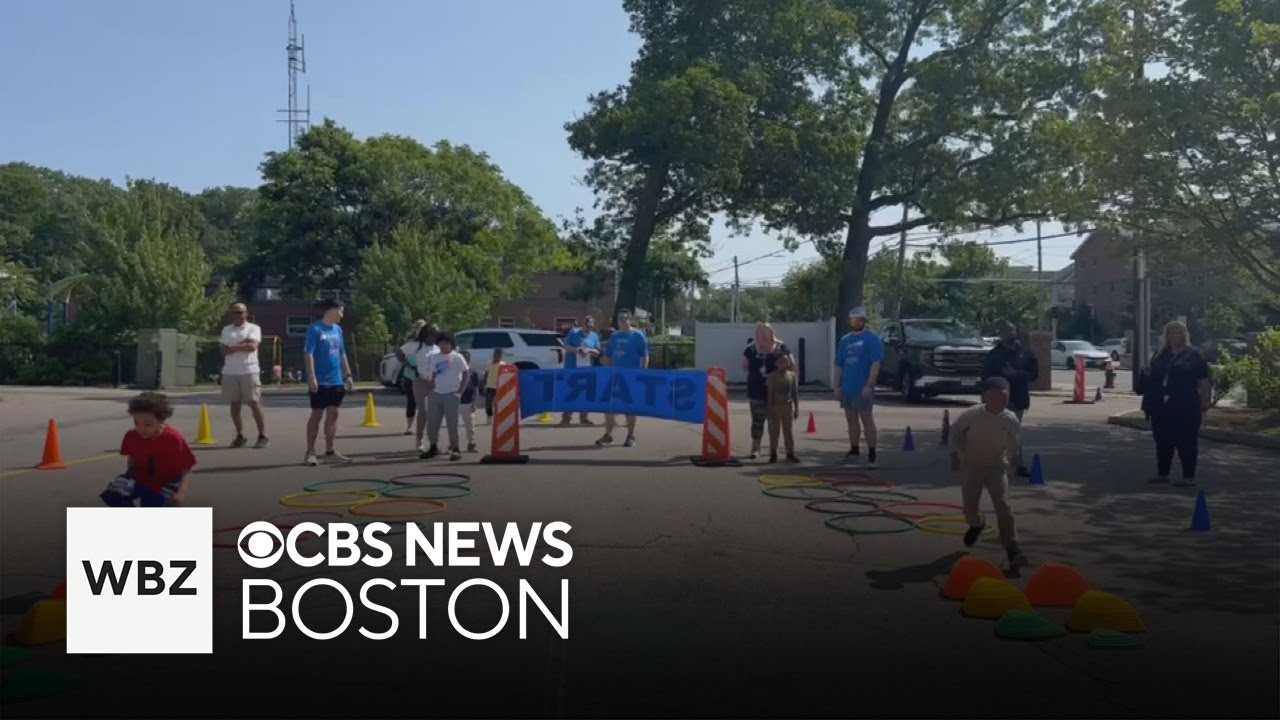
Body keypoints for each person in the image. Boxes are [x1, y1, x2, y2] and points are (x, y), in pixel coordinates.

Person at [949, 377, 1029, 569]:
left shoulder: (1010, 419)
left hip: (996, 466)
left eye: (1005, 398)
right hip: (972, 464)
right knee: (969, 508)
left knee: (1003, 506)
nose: (1001, 403)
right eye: (997, 398)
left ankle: (1013, 549)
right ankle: (976, 524)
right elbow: (955, 432)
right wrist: (957, 454)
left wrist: (1015, 463)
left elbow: (1013, 444)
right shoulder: (972, 414)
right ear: (985, 398)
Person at [1138, 321, 1211, 486]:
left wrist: (1204, 400)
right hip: (1161, 402)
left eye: (1178, 332)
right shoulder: (1160, 354)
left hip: (1185, 402)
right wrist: (1148, 373)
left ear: (1185, 335)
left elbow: (1203, 379)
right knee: (1162, 439)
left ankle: (1188, 476)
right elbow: (1152, 374)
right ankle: (1163, 473)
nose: (1175, 335)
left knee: (1186, 440)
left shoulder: (1193, 355)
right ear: (1167, 335)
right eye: (1171, 332)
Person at [100, 392, 195, 508]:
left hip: (166, 482)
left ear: (161, 421)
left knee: (152, 503)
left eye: (148, 425)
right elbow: (132, 459)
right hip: (141, 478)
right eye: (137, 423)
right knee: (114, 494)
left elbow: (186, 466)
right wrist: (127, 479)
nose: (141, 429)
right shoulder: (132, 436)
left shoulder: (173, 439)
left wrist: (181, 492)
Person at [981, 321, 1039, 477]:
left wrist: (1016, 373)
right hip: (997, 399)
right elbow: (985, 377)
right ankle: (993, 464)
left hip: (1018, 398)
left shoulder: (1025, 353)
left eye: (1013, 330)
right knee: (996, 432)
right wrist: (986, 397)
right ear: (1001, 334)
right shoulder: (994, 355)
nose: (1011, 334)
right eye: (1007, 331)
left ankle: (1017, 466)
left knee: (1013, 432)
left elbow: (1034, 374)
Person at [303, 298, 354, 466]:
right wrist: (312, 377)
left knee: (333, 414)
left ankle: (330, 451)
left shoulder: (338, 330)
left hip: (336, 380)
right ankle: (310, 451)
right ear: (332, 310)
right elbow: (308, 353)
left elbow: (341, 353)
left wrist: (347, 374)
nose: (342, 314)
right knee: (317, 414)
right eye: (340, 310)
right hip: (320, 380)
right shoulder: (315, 329)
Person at [833, 307, 883, 468]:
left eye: (859, 320)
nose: (856, 323)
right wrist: (837, 386)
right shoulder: (845, 340)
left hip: (862, 387)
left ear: (864, 321)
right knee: (851, 419)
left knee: (866, 418)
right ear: (850, 321)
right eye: (853, 320)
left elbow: (876, 363)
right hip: (847, 386)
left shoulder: (871, 339)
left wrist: (869, 384)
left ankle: (872, 454)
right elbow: (839, 364)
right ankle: (854, 450)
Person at [596, 311, 650, 448]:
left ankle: (630, 435)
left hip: (631, 376)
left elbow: (644, 355)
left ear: (630, 320)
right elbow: (608, 356)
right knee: (608, 406)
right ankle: (608, 434)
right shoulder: (615, 336)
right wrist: (602, 360)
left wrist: (642, 374)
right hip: (615, 376)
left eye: (625, 319)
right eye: (620, 319)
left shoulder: (637, 335)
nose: (623, 321)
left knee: (629, 407)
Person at [219, 303, 269, 449]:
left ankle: (262, 435)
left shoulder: (253, 328)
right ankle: (240, 435)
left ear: (246, 313)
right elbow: (224, 351)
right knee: (234, 404)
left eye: (241, 312)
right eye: (235, 312)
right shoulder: (226, 330)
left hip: (249, 370)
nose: (238, 315)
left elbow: (252, 347)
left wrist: (233, 347)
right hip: (230, 371)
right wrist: (243, 344)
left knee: (253, 402)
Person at [742, 323, 792, 459]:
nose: (762, 335)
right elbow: (744, 366)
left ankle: (773, 449)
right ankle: (755, 448)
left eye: (765, 332)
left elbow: (791, 366)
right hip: (757, 389)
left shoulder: (781, 347)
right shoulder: (750, 349)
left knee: (774, 420)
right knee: (757, 420)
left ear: (771, 333)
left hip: (777, 390)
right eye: (759, 333)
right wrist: (756, 375)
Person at [422, 332, 469, 461]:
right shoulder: (435, 357)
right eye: (440, 344)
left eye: (444, 343)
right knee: (432, 423)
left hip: (451, 394)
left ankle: (455, 448)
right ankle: (433, 446)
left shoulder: (457, 357)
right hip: (436, 393)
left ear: (450, 344)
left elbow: (466, 373)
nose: (442, 346)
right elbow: (432, 373)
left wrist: (460, 390)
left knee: (452, 423)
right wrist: (429, 385)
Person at [402, 324, 438, 449]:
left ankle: (434, 441)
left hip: (435, 381)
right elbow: (399, 351)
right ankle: (419, 440)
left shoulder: (437, 347)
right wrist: (409, 365)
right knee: (423, 411)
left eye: (434, 335)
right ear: (425, 335)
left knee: (435, 412)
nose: (432, 338)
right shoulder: (416, 346)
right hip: (420, 380)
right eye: (429, 335)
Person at [560, 316, 601, 426]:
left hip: (586, 368)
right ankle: (566, 418)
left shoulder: (594, 336)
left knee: (585, 393)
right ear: (583, 324)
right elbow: (566, 346)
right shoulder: (574, 332)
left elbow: (598, 351)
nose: (588, 329)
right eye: (586, 326)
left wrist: (590, 350)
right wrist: (577, 350)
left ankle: (584, 417)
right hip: (572, 368)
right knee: (570, 392)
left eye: (590, 327)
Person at [765, 353, 801, 464]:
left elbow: (795, 393)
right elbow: (770, 394)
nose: (783, 364)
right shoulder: (772, 376)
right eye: (781, 362)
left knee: (788, 431)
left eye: (785, 362)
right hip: (776, 406)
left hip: (787, 406)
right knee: (774, 432)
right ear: (776, 364)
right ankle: (773, 453)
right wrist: (769, 410)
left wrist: (796, 408)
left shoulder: (792, 376)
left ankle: (790, 453)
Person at [396, 320, 429, 435]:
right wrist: (408, 363)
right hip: (412, 375)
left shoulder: (430, 344)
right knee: (412, 401)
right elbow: (399, 352)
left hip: (427, 376)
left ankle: (425, 425)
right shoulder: (412, 343)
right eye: (419, 327)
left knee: (427, 403)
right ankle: (409, 426)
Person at [459, 349, 481, 453]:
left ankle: (471, 443)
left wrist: (474, 403)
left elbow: (476, 389)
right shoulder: (455, 372)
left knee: (470, 425)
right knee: (454, 425)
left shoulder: (473, 373)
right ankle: (453, 445)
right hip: (456, 402)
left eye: (465, 359)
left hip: (468, 402)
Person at [483, 348, 507, 423]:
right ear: (493, 354)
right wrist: (484, 385)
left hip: (499, 386)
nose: (497, 356)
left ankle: (500, 417)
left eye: (499, 354)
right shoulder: (488, 363)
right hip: (489, 386)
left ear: (501, 355)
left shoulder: (503, 364)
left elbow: (505, 375)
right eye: (496, 354)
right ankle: (489, 416)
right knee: (488, 402)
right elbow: (486, 375)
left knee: (499, 403)